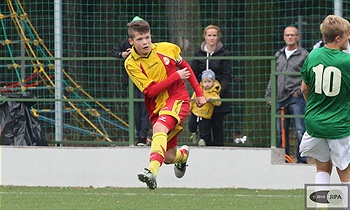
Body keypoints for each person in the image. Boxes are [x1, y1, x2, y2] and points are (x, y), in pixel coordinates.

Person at [124, 18, 206, 190]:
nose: (145, 42)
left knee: (159, 129)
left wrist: (199, 93)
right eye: (140, 39)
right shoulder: (131, 63)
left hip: (178, 98)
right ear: (131, 41)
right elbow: (151, 92)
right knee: (168, 157)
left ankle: (151, 172)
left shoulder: (166, 48)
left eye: (147, 37)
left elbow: (185, 67)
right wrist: (175, 76)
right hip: (157, 106)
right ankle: (182, 156)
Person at [299, 15, 350, 185]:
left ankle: (320, 205)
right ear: (338, 38)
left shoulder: (313, 55)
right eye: (347, 34)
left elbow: (304, 89)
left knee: (322, 168)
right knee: (345, 171)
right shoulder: (347, 61)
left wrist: (313, 106)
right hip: (339, 125)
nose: (349, 38)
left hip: (315, 123)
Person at [265, 26, 309, 164]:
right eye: (287, 35)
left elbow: (307, 75)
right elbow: (274, 76)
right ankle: (283, 160)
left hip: (296, 98)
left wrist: (298, 91)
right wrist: (269, 95)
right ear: (284, 37)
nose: (290, 37)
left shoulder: (305, 55)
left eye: (293, 35)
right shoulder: (278, 54)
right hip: (279, 98)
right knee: (279, 132)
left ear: (298, 37)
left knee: (300, 131)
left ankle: (301, 160)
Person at [110, 16, 151, 146]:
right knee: (136, 109)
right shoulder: (125, 43)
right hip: (131, 81)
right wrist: (122, 55)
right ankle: (139, 135)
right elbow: (113, 52)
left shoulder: (150, 45)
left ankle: (143, 135)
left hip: (146, 81)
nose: (144, 41)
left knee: (145, 108)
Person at [190, 25, 232, 146]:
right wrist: (199, 91)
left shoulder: (225, 54)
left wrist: (218, 92)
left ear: (218, 37)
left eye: (214, 35)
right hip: (201, 96)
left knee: (217, 126)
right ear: (205, 36)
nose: (212, 38)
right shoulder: (198, 53)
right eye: (209, 35)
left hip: (217, 96)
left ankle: (219, 154)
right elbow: (193, 73)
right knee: (203, 128)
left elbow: (226, 76)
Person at [188, 69, 221, 146]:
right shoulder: (199, 90)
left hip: (205, 114)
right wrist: (189, 107)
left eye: (209, 82)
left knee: (204, 129)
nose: (207, 84)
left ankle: (203, 140)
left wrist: (211, 99)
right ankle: (194, 134)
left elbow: (218, 102)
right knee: (191, 125)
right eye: (205, 82)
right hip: (195, 111)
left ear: (213, 82)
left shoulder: (214, 92)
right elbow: (193, 98)